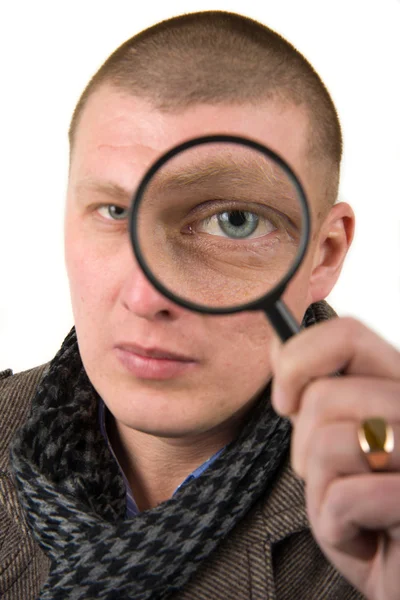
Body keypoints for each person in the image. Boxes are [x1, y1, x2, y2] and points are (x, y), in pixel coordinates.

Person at [0, 10, 399, 600]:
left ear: (324, 252)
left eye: (232, 222)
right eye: (113, 212)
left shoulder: (381, 507)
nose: (144, 297)